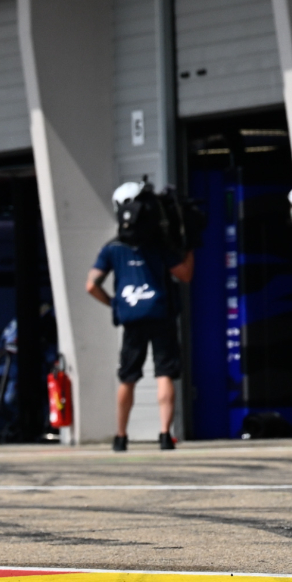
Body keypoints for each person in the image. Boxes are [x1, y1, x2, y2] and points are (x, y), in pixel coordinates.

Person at [87, 182, 194, 452]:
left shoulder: (112, 248)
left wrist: (114, 304)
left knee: (128, 376)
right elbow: (185, 275)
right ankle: (164, 435)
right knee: (164, 373)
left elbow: (91, 285)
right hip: (161, 313)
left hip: (131, 317)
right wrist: (190, 245)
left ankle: (121, 436)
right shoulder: (160, 245)